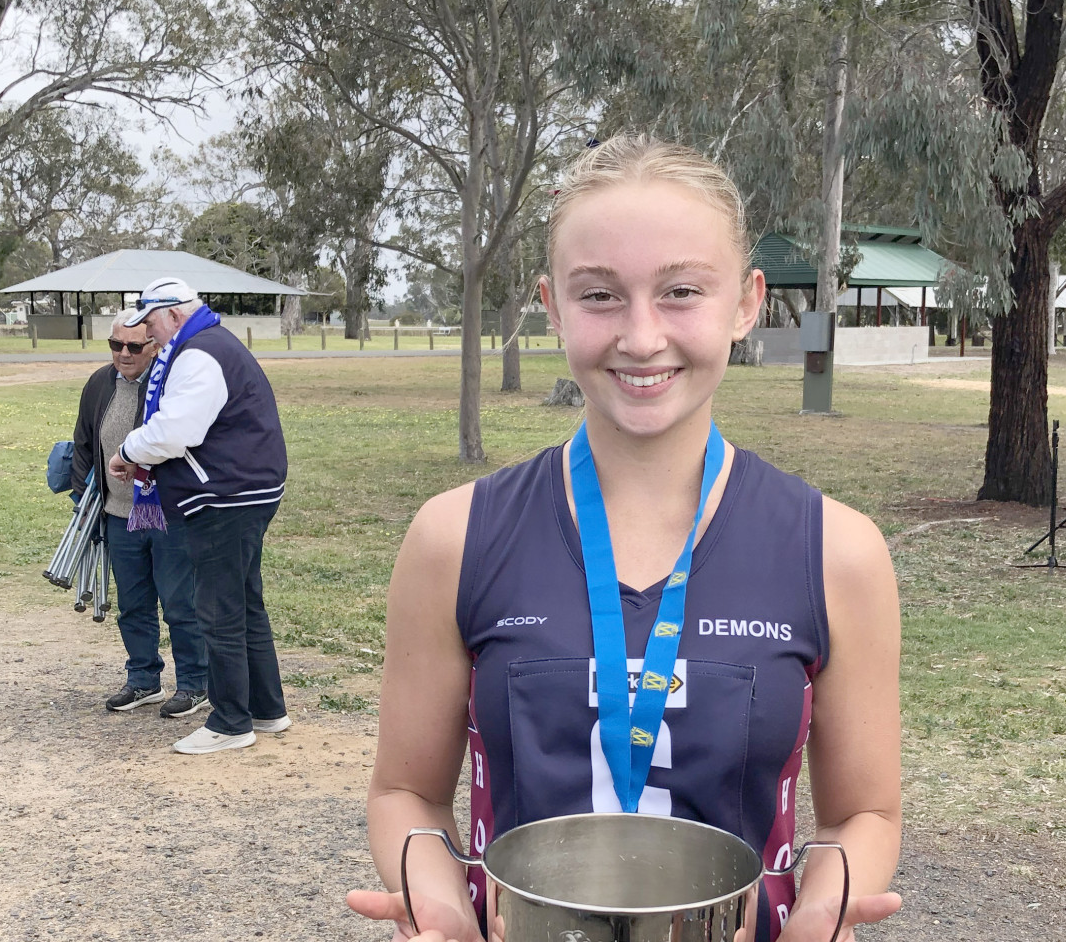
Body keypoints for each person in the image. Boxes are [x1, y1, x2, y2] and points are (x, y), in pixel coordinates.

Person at [346, 137, 901, 942]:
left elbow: (864, 813)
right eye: (600, 296)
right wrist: (436, 899)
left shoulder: (836, 552)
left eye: (681, 291)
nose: (641, 337)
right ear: (551, 304)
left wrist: (824, 903)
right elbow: (405, 795)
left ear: (745, 302)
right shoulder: (454, 537)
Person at [107, 278, 290, 756]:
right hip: (245, 489)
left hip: (223, 495)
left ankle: (231, 721)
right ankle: (267, 709)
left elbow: (177, 431)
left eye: (149, 320)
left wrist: (130, 448)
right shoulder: (212, 342)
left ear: (172, 315)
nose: (147, 332)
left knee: (219, 609)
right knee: (246, 602)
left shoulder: (197, 354)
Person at [71, 309, 208, 718]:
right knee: (133, 603)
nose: (124, 354)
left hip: (166, 515)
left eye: (134, 346)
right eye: (116, 345)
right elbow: (82, 441)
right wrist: (83, 496)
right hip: (117, 514)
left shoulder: (170, 384)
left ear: (153, 345)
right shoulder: (99, 383)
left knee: (180, 602)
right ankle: (143, 679)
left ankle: (195, 684)